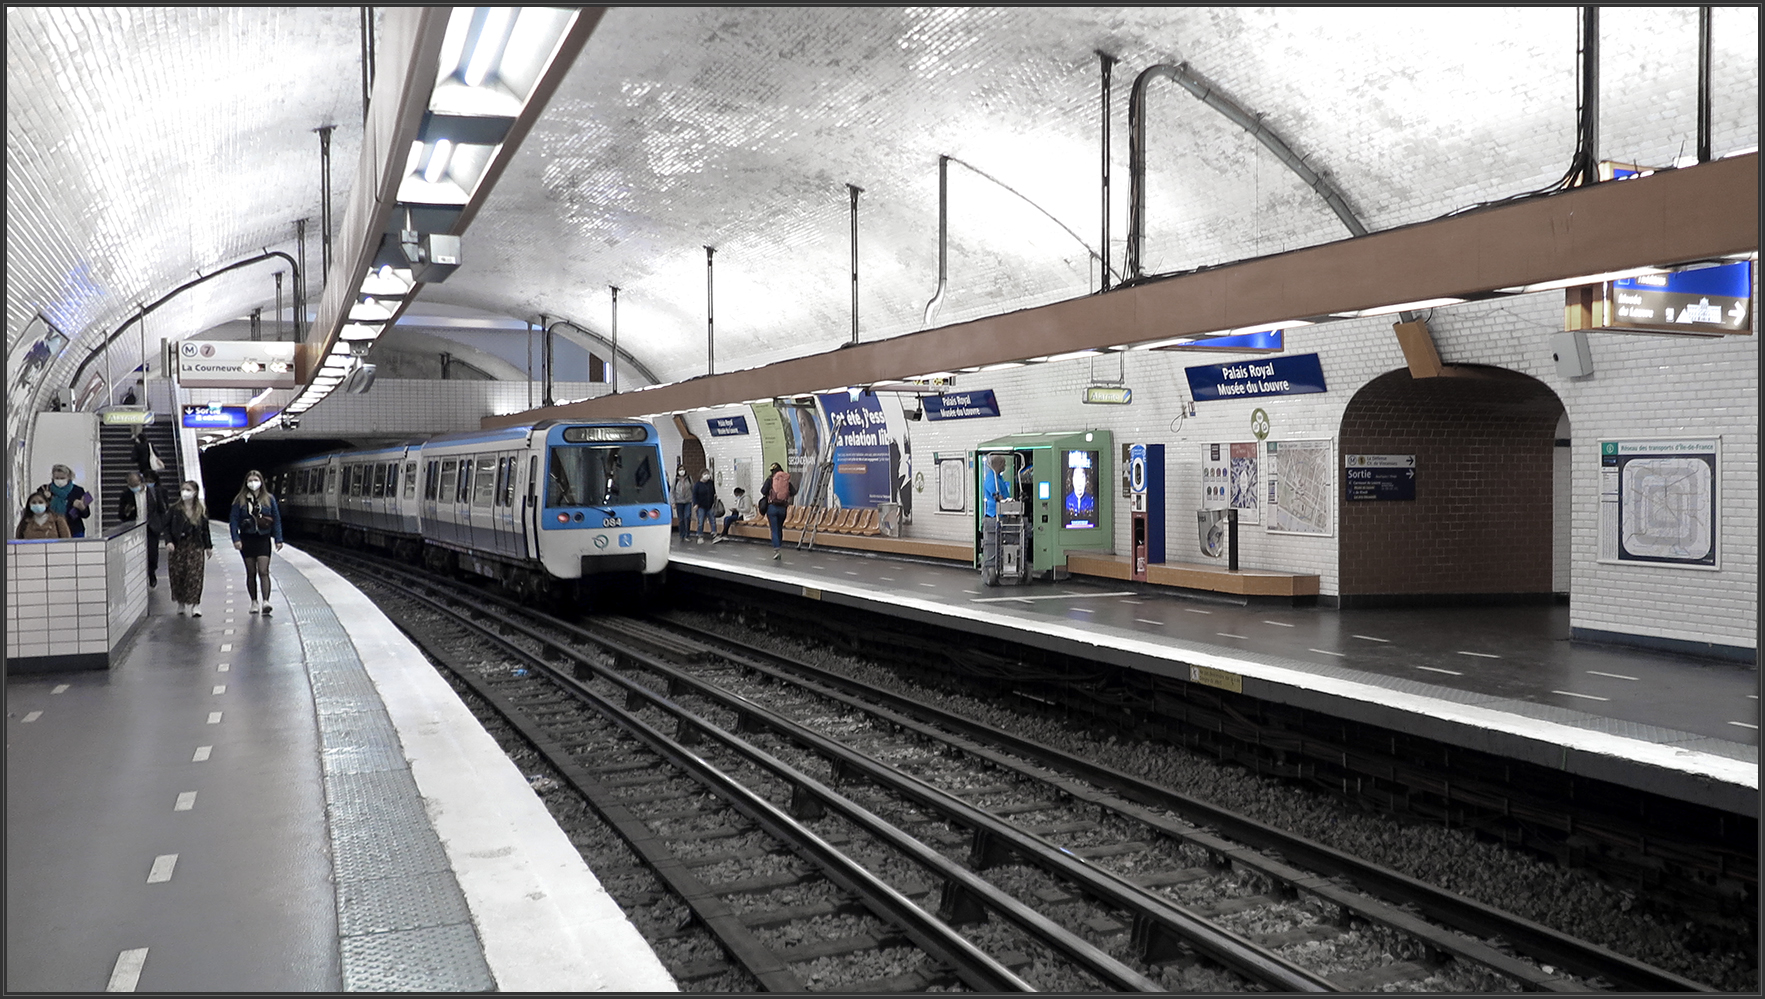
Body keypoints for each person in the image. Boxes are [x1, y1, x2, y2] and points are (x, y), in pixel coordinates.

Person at [229, 470, 284, 615]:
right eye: (250, 480)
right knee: (251, 571)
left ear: (261, 482)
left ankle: (266, 601)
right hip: (247, 539)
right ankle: (254, 601)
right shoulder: (239, 500)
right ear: (246, 483)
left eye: (256, 480)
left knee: (263, 570)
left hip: (263, 538)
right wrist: (236, 539)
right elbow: (233, 521)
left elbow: (276, 519)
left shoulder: (269, 499)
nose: (253, 483)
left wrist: (278, 539)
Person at [164, 479, 213, 616]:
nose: (185, 493)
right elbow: (166, 527)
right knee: (178, 575)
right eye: (183, 489)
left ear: (195, 492)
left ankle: (195, 604)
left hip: (195, 546)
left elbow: (205, 529)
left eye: (188, 490)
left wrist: (208, 546)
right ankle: (181, 602)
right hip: (178, 546)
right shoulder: (174, 509)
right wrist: (168, 541)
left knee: (195, 575)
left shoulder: (200, 510)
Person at [39, 464, 93, 538]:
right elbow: (37, 510)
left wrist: (82, 507)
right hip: (51, 530)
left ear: (69, 477)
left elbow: (86, 514)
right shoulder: (45, 489)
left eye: (62, 478)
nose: (59, 480)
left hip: (74, 530)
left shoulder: (77, 490)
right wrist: (45, 499)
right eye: (57, 478)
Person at [762, 462, 795, 561]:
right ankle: (779, 544)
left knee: (774, 529)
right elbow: (793, 491)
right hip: (783, 508)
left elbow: (763, 491)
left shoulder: (770, 479)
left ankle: (777, 550)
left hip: (772, 507)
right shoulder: (786, 481)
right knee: (779, 528)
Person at [142, 470, 168, 587]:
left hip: (153, 525)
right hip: (139, 526)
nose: (148, 483)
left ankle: (151, 572)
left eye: (151, 481)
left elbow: (164, 508)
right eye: (146, 481)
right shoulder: (137, 492)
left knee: (153, 551)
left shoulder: (160, 491)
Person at [691, 469, 717, 543]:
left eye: (708, 474)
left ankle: (714, 533)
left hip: (710, 505)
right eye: (705, 474)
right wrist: (696, 504)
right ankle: (700, 535)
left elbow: (713, 492)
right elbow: (695, 495)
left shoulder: (710, 483)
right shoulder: (698, 485)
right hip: (701, 506)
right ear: (701, 475)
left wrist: (714, 497)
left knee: (712, 520)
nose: (707, 476)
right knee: (701, 521)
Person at [672, 464, 693, 540]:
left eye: (683, 470)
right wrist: (673, 502)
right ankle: (682, 534)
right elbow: (672, 491)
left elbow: (692, 488)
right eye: (680, 470)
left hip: (688, 501)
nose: (682, 471)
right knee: (681, 519)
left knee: (687, 517)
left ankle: (687, 534)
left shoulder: (689, 479)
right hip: (679, 501)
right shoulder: (676, 480)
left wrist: (694, 500)